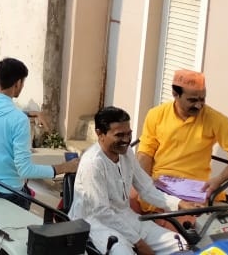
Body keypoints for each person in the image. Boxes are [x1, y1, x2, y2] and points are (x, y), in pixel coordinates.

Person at [72, 106, 201, 255]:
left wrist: (179, 204)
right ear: (100, 133)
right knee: (124, 253)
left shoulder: (126, 155)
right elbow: (102, 212)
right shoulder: (93, 163)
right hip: (94, 224)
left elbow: (146, 189)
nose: (126, 140)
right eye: (119, 135)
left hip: (126, 216)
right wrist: (139, 243)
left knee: (178, 243)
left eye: (129, 134)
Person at [0, 58, 78, 207]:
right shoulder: (18, 119)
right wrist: (62, 168)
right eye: (22, 83)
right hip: (10, 194)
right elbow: (25, 170)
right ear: (18, 83)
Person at [135, 70, 228, 212]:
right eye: (192, 100)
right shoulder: (156, 114)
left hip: (193, 190)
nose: (198, 105)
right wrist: (145, 184)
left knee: (175, 224)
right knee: (119, 207)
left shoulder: (215, 119)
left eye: (202, 99)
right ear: (175, 94)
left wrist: (219, 179)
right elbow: (145, 153)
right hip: (158, 183)